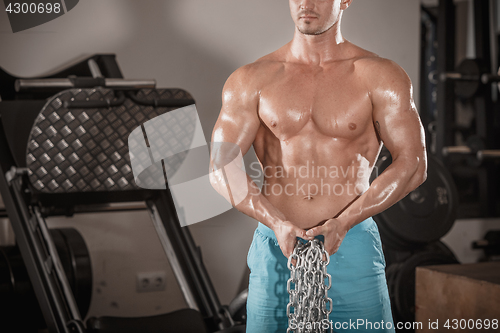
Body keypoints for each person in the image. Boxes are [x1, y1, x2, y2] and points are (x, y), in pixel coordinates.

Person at [209, 0, 427, 331]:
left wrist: (345, 221)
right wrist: (276, 222)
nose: (307, 4)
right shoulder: (252, 79)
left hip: (351, 242)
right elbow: (220, 166)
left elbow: (413, 163)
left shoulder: (379, 75)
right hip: (277, 245)